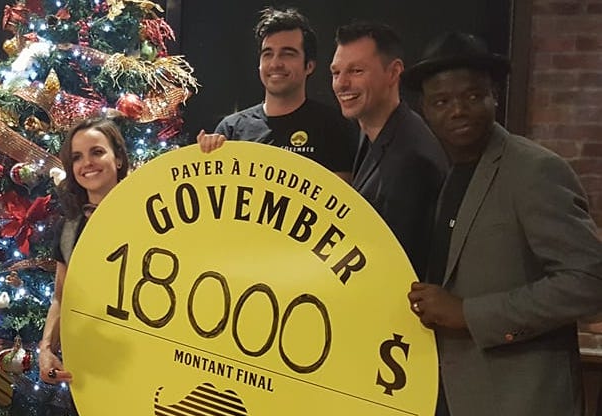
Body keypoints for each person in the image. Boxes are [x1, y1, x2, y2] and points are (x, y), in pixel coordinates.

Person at [402, 32, 602, 416]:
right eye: (442, 101)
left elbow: (589, 283)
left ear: (495, 96)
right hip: (454, 394)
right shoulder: (451, 173)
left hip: (522, 401)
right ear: (425, 110)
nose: (458, 110)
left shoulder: (535, 170)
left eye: (472, 96)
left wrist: (468, 314)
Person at [330, 22, 448, 278]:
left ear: (394, 72)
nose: (342, 83)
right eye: (336, 72)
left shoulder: (412, 160)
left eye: (356, 71)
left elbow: (397, 269)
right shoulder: (371, 132)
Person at [197, 7, 356, 182]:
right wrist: (207, 155)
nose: (275, 63)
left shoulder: (334, 128)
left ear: (309, 66)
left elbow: (341, 196)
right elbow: (214, 192)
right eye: (268, 54)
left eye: (287, 54)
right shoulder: (231, 130)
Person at [39, 116, 129, 385]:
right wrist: (46, 349)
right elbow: (61, 298)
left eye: (97, 152)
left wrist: (213, 151)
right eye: (77, 157)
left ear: (118, 159)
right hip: (92, 366)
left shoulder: (152, 214)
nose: (86, 163)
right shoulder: (69, 228)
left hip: (144, 357)